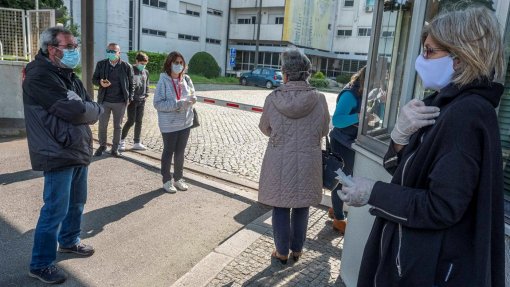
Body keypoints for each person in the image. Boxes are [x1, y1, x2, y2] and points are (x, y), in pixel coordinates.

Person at [339, 6, 505, 286]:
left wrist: (373, 192)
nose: (420, 59)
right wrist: (400, 137)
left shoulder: (466, 114)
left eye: (429, 51)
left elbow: (441, 207)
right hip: (417, 259)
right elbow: (404, 172)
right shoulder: (443, 104)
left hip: (431, 269)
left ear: (460, 58)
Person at [22, 26, 103, 284]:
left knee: (77, 202)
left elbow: (93, 107)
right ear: (52, 49)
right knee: (55, 209)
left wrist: (83, 107)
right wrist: (82, 108)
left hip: (77, 148)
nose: (74, 51)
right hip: (56, 150)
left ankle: (69, 241)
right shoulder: (39, 75)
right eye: (69, 47)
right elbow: (78, 112)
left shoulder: (69, 75)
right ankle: (41, 264)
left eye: (75, 46)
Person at [258, 49, 330, 264]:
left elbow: (264, 127)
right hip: (309, 160)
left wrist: (280, 136)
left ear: (285, 73)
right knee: (302, 204)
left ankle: (281, 252)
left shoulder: (273, 98)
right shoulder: (319, 99)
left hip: (279, 158)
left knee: (280, 205)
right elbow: (325, 130)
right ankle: (297, 250)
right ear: (306, 73)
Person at [328, 66, 366, 234]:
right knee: (340, 180)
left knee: (345, 178)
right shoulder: (350, 95)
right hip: (341, 142)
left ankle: (335, 210)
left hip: (350, 142)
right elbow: (337, 120)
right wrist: (359, 116)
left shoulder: (364, 93)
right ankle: (338, 218)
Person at [153, 51, 196, 193]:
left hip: (185, 122)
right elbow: (158, 104)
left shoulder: (187, 79)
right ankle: (166, 180)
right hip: (169, 124)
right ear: (169, 64)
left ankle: (178, 178)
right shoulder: (163, 80)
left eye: (181, 63)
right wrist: (178, 103)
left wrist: (192, 100)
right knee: (168, 151)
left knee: (180, 152)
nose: (179, 65)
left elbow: (193, 95)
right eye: (176, 62)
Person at [92, 43, 134, 157]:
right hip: (104, 100)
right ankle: (102, 146)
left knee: (118, 126)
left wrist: (130, 98)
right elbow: (94, 79)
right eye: (109, 51)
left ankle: (115, 149)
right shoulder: (101, 64)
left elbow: (131, 84)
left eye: (113, 51)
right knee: (102, 125)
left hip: (120, 102)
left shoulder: (126, 66)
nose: (111, 53)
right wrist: (100, 82)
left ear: (119, 53)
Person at [119, 52, 150, 151]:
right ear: (136, 61)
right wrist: (128, 98)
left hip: (142, 100)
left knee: (139, 121)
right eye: (141, 63)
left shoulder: (146, 72)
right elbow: (126, 84)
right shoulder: (130, 70)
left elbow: (147, 84)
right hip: (132, 100)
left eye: (145, 64)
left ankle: (137, 142)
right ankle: (121, 141)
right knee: (131, 121)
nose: (143, 66)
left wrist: (146, 95)